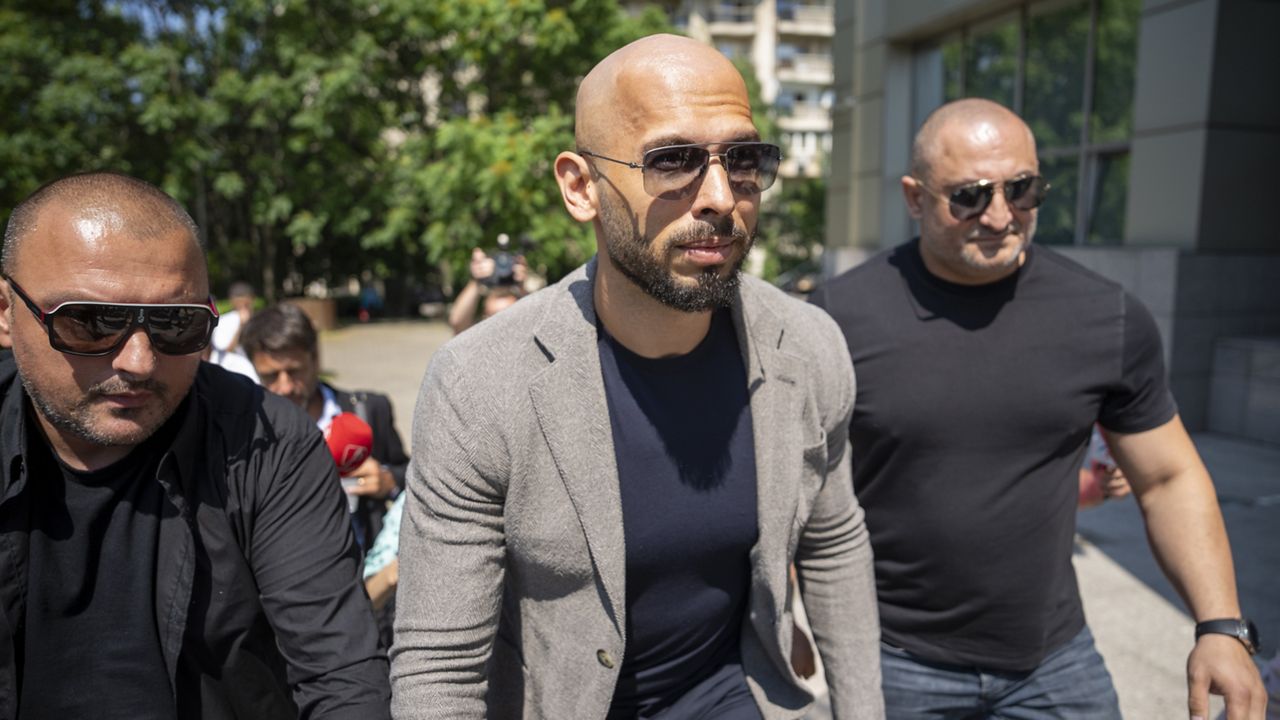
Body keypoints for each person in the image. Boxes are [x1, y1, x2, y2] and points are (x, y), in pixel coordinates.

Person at [391, 34, 883, 720]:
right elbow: (439, 667)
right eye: (672, 160)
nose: (719, 196)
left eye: (743, 159)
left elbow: (832, 542)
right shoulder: (480, 384)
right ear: (580, 187)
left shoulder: (807, 347)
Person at [810, 98, 1265, 719]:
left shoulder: (1106, 317)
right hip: (894, 661)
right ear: (915, 198)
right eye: (969, 196)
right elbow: (793, 491)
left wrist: (1220, 626)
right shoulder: (840, 318)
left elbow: (1167, 477)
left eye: (1022, 190)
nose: (1001, 216)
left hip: (1054, 663)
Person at [0, 171, 390, 718]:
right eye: (90, 323)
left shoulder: (270, 442)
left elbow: (341, 677)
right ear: (5, 311)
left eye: (176, 325)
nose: (138, 362)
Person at [240, 302, 410, 552]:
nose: (285, 386)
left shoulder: (368, 411)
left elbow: (411, 478)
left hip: (367, 576)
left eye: (294, 371)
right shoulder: (244, 432)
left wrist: (387, 481)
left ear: (316, 358)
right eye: (271, 376)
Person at [446, 245, 529, 334]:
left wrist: (522, 288)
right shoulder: (478, 338)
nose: (500, 324)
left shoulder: (525, 336)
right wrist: (476, 281)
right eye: (493, 317)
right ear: (484, 317)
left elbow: (536, 317)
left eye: (508, 316)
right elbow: (457, 322)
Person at [208, 280, 259, 381]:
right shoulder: (224, 321)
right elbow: (224, 350)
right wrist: (241, 325)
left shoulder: (259, 319)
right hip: (232, 373)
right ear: (232, 301)